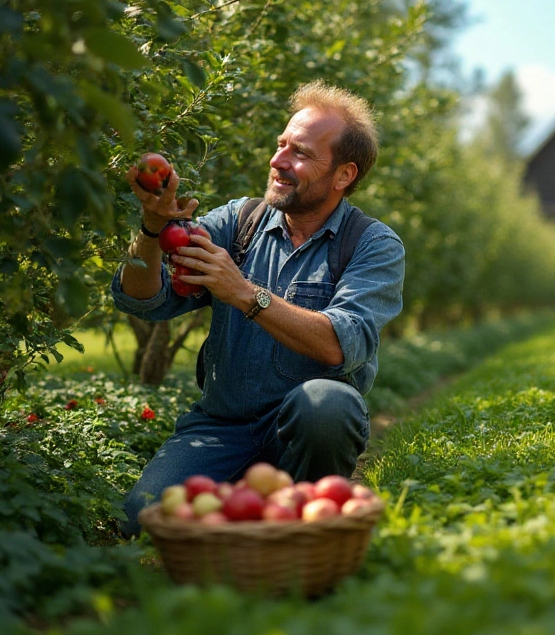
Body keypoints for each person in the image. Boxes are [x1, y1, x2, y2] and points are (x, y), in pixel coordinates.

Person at [112, 81, 405, 537]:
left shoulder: (370, 245)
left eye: (300, 153)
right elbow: (144, 300)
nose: (278, 160)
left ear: (344, 175)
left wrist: (244, 292)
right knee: (142, 518)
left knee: (328, 405)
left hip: (301, 431)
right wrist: (152, 230)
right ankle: (248, 501)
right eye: (280, 145)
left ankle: (304, 523)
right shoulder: (239, 222)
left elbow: (337, 344)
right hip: (220, 429)